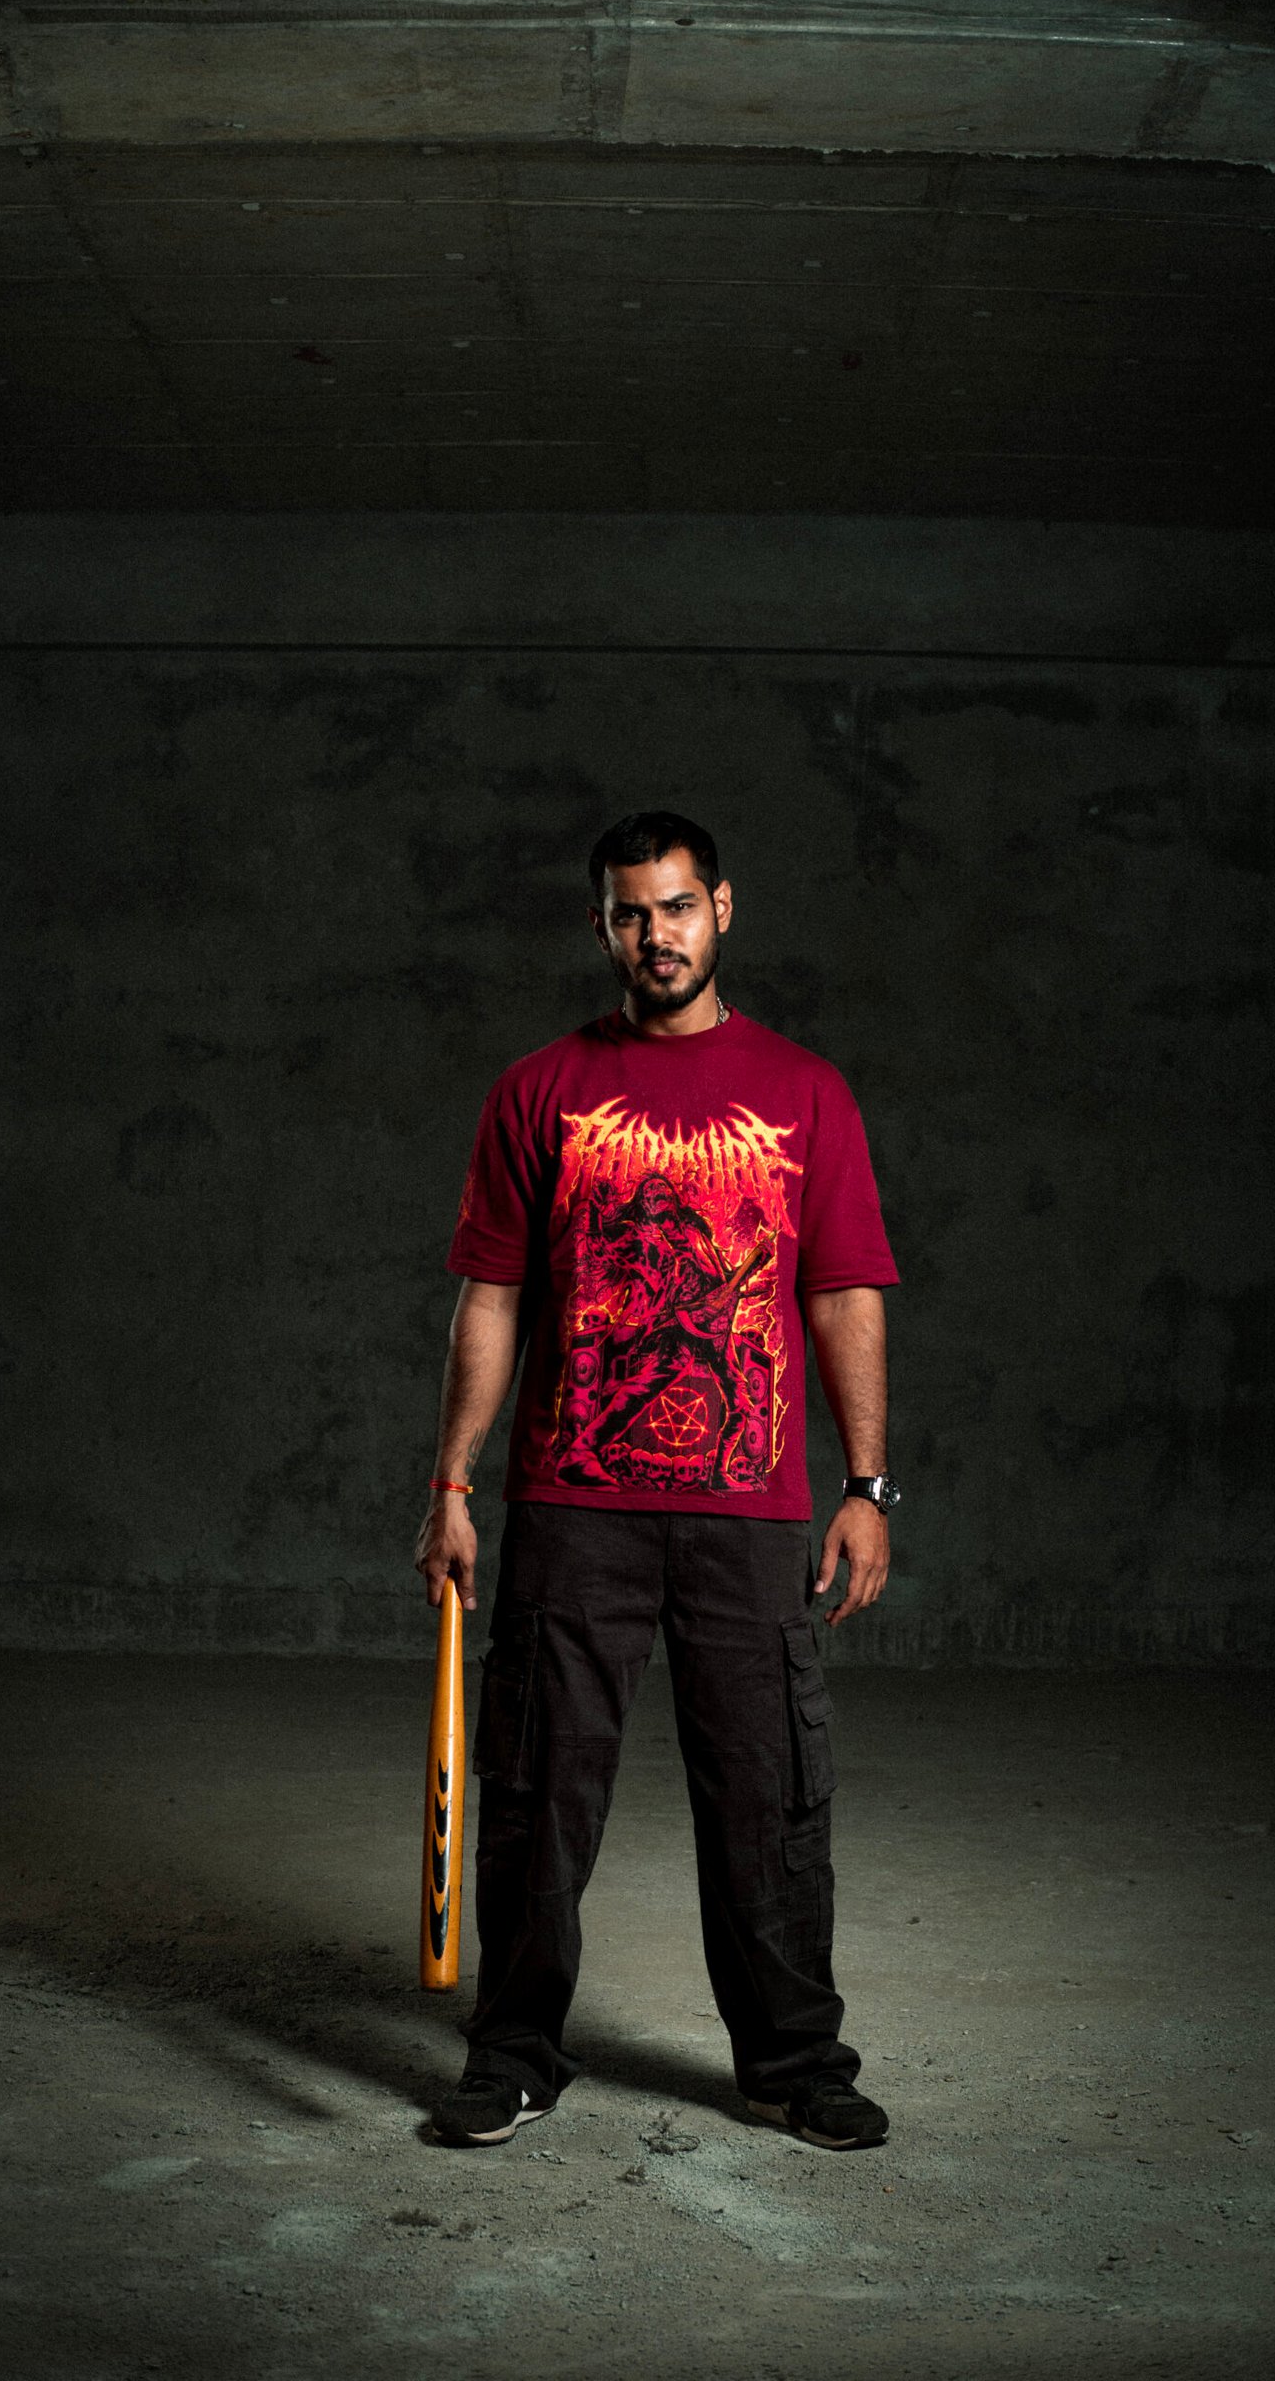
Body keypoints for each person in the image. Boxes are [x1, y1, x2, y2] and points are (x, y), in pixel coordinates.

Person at [414, 810, 901, 2152]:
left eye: (678, 907)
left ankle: (796, 2061)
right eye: (631, 914)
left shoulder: (806, 1091)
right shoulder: (540, 1090)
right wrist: (452, 1482)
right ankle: (512, 2054)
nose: (657, 935)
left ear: (721, 910)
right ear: (601, 927)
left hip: (749, 1511)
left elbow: (844, 1291)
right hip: (575, 1508)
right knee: (535, 1790)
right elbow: (492, 1296)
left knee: (770, 1792)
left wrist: (868, 1485)